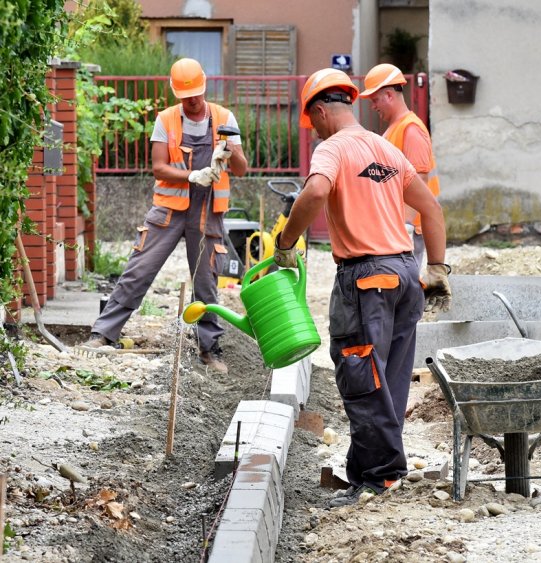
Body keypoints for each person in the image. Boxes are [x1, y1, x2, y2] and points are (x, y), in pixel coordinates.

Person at [272, 68, 450, 507]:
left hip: (367, 278)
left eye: (312, 122)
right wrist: (437, 266)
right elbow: (430, 208)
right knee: (387, 380)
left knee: (362, 376)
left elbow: (315, 192)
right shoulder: (386, 148)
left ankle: (381, 477)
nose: (314, 130)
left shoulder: (333, 148)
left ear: (320, 111)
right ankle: (366, 471)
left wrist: (286, 242)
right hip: (405, 275)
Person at [84, 58, 248, 373]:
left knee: (206, 281)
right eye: (186, 96)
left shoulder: (225, 118)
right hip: (168, 211)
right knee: (139, 269)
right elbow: (158, 166)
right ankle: (103, 333)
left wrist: (230, 150)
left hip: (207, 212)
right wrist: (192, 175)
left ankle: (210, 349)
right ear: (176, 93)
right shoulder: (166, 119)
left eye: (196, 94)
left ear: (204, 86)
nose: (192, 100)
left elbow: (241, 169)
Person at [359, 63, 440, 267]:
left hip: (410, 229)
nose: (373, 106)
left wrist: (406, 227)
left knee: (407, 283)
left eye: (375, 100)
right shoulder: (396, 128)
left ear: (389, 95)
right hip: (398, 227)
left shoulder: (411, 129)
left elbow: (419, 180)